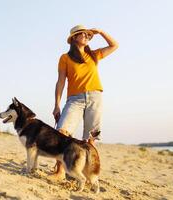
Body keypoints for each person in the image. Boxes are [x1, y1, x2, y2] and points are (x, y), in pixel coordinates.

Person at [52, 25, 118, 179]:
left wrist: (100, 31)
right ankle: (60, 171)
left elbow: (115, 45)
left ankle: (85, 173)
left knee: (90, 139)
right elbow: (60, 82)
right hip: (75, 99)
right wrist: (56, 104)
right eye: (83, 34)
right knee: (62, 132)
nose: (87, 36)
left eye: (89, 35)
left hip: (95, 97)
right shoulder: (65, 58)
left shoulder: (94, 55)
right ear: (74, 38)